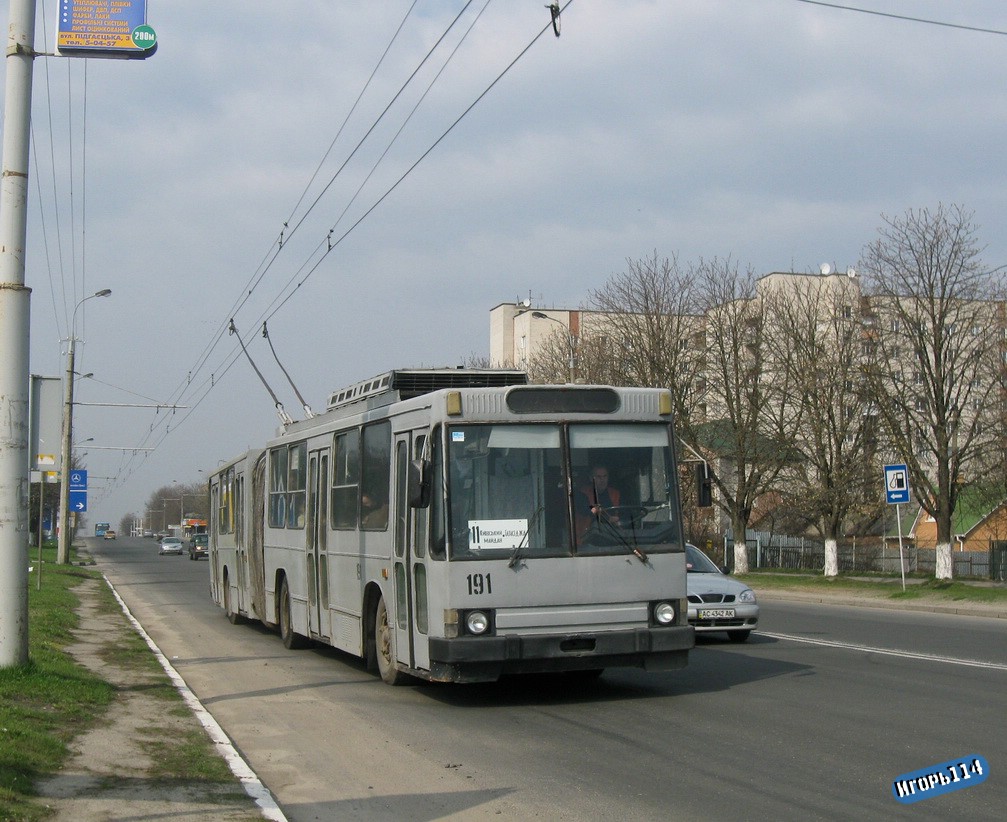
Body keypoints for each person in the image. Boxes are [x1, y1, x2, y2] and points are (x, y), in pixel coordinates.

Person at [576, 465, 620, 540]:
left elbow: (622, 512)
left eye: (605, 476)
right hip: (586, 539)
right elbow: (586, 509)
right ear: (591, 478)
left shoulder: (615, 494)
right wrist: (605, 517)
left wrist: (618, 519)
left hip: (614, 538)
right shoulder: (582, 493)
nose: (602, 480)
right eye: (598, 477)